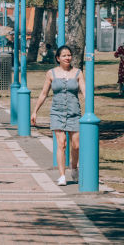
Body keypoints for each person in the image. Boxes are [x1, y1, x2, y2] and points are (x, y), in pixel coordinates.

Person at [31, 45, 86, 185]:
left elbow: (85, 93)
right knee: (61, 144)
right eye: (64, 55)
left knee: (76, 145)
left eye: (69, 55)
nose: (67, 58)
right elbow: (44, 93)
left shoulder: (78, 73)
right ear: (58, 58)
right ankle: (62, 175)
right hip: (57, 112)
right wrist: (35, 111)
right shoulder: (51, 73)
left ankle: (74, 168)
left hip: (74, 113)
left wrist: (90, 109)